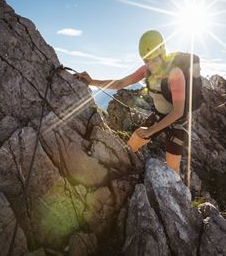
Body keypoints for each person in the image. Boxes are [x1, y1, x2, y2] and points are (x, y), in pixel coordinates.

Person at [75, 30, 190, 174]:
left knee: (173, 169)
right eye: (147, 61)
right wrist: (92, 81)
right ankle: (127, 173)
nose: (151, 65)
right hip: (159, 116)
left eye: (155, 60)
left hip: (177, 123)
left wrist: (151, 130)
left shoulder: (175, 74)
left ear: (163, 54)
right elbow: (120, 83)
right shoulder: (145, 70)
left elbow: (178, 111)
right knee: (130, 146)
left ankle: (179, 195)